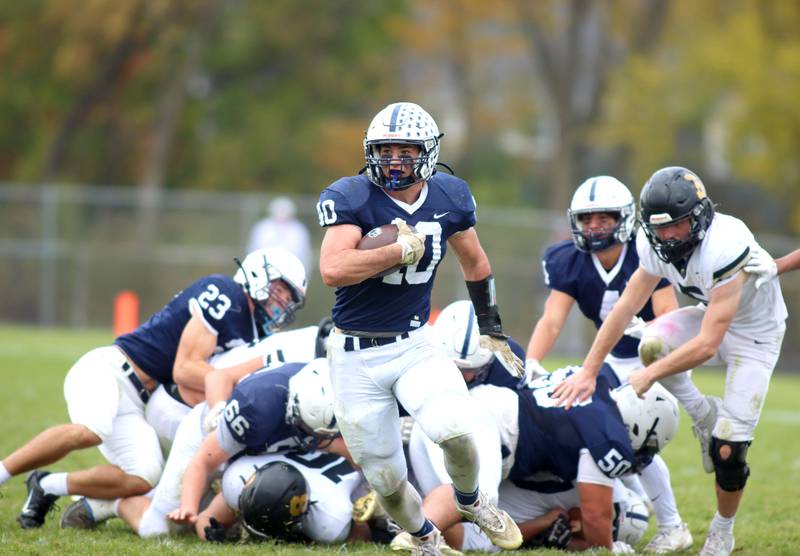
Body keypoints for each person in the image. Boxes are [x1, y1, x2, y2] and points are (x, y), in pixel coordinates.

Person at [317, 101, 524, 553]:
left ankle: (472, 501)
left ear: (426, 152)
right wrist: (394, 252)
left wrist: (491, 325)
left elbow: (476, 262)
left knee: (455, 430)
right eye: (385, 150)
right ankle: (427, 540)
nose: (393, 160)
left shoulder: (449, 196)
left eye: (404, 150)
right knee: (387, 482)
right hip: (354, 356)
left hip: (415, 343)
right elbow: (333, 269)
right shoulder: (351, 195)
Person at [554, 166, 787, 556]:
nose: (666, 236)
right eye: (658, 228)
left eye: (675, 226)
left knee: (728, 452)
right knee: (652, 341)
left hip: (755, 336)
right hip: (710, 314)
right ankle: (702, 415)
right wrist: (590, 371)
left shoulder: (725, 243)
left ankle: (721, 531)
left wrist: (649, 375)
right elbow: (627, 304)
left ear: (698, 218)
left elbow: (709, 345)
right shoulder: (651, 241)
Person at [0, 247, 305, 529]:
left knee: (144, 475)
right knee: (92, 428)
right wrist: (225, 390)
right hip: (111, 369)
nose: (281, 303)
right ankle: (3, 472)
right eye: (279, 290)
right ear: (258, 273)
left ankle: (47, 485)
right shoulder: (226, 294)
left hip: (138, 400)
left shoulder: (250, 329)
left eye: (288, 299)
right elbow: (184, 368)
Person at [525, 175, 695, 552]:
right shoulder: (567, 260)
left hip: (658, 353)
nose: (594, 227)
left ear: (625, 218)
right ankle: (636, 505)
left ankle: (673, 525)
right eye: (587, 220)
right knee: (604, 434)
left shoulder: (646, 251)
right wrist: (532, 361)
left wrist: (648, 332)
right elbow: (552, 319)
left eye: (604, 218)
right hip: (613, 357)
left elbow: (670, 313)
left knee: (632, 437)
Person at [399, 366, 679, 553]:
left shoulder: (602, 388)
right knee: (479, 496)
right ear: (642, 423)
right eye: (648, 446)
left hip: (476, 412)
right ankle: (417, 536)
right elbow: (595, 515)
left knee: (465, 529)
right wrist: (609, 548)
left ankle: (395, 520)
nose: (641, 454)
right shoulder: (608, 435)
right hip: (488, 425)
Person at [207, 450, 366, 544]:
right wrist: (213, 536)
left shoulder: (329, 519)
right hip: (321, 450)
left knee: (381, 528)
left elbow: (361, 537)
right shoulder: (239, 475)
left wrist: (360, 524)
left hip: (362, 475)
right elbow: (207, 518)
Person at [247, 196, 312, 271]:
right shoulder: (263, 227)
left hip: (290, 269)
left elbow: (302, 252)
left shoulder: (298, 229)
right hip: (264, 268)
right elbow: (255, 247)